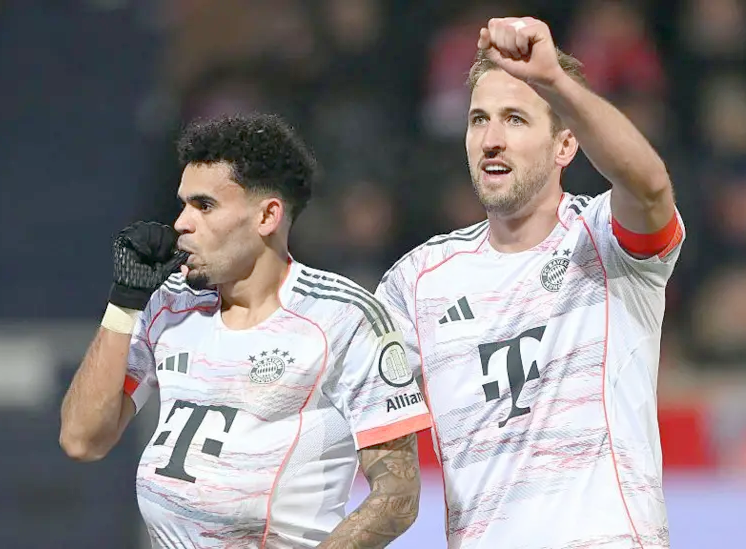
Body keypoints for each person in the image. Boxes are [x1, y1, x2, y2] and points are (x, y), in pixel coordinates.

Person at [375, 17, 684, 549]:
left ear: (566, 144)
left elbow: (650, 188)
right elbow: (343, 396)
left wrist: (555, 82)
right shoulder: (418, 280)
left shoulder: (604, 240)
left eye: (515, 119)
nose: (491, 141)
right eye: (478, 120)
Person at [59, 113, 431, 548]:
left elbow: (397, 498)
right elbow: (82, 439)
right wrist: (123, 303)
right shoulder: (169, 304)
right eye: (183, 204)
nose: (181, 223)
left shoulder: (344, 318)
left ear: (267, 216)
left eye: (204, 206)